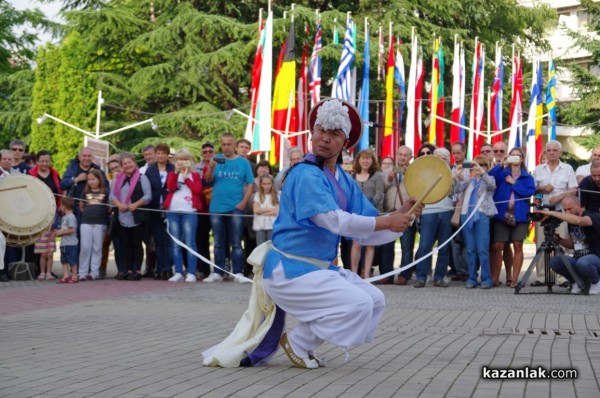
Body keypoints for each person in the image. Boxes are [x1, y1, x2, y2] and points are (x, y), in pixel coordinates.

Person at [212, 98, 419, 369]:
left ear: (345, 143)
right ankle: (299, 341)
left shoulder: (343, 179)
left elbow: (367, 226)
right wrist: (387, 221)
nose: (324, 138)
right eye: (320, 130)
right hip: (289, 270)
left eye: (334, 134)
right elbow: (331, 220)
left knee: (374, 299)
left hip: (317, 271)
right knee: (356, 303)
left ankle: (302, 338)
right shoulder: (305, 174)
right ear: (312, 133)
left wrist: (399, 217)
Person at [203, 133, 255, 283]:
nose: (226, 147)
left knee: (237, 241)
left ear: (234, 145)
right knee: (218, 241)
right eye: (223, 144)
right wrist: (211, 168)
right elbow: (208, 180)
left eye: (229, 144)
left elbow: (250, 184)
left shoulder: (243, 162)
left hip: (236, 206)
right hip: (217, 206)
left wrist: (244, 202)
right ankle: (218, 272)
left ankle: (237, 272)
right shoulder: (217, 159)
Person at [531, 140, 578, 285]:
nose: (551, 153)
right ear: (545, 152)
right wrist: (542, 188)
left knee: (561, 241)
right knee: (541, 243)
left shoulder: (567, 168)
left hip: (561, 211)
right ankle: (541, 277)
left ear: (560, 153)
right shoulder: (538, 169)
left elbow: (574, 189)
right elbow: (531, 189)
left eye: (554, 150)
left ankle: (562, 277)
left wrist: (560, 196)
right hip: (543, 211)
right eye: (548, 150)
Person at [490, 148, 536, 288]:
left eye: (518, 156)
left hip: (520, 215)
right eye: (512, 156)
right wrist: (500, 164)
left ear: (522, 159)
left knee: (517, 245)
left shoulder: (527, 177)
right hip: (502, 214)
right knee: (498, 246)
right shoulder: (502, 173)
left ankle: (515, 279)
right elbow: (488, 177)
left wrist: (513, 183)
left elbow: (529, 192)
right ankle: (495, 278)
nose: (515, 158)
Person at [537, 195, 600, 295]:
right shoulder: (571, 221)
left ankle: (596, 282)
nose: (567, 212)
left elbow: (580, 221)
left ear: (579, 205)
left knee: (582, 262)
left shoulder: (591, 216)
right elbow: (572, 245)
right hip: (579, 259)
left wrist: (552, 213)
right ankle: (576, 282)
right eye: (565, 210)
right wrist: (559, 239)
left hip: (595, 259)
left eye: (570, 209)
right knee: (555, 261)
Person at [413, 145, 454, 288]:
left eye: (444, 159)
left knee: (444, 246)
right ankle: (421, 277)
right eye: (438, 158)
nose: (441, 161)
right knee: (425, 246)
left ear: (448, 161)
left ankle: (439, 277)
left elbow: (456, 192)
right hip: (429, 211)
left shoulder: (453, 174)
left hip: (446, 210)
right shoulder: (426, 174)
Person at [454, 155, 497, 289]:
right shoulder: (468, 180)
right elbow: (456, 191)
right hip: (466, 215)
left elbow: (492, 186)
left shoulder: (489, 178)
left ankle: (486, 278)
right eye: (475, 165)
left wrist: (482, 172)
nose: (478, 168)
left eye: (482, 165)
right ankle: (471, 277)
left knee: (482, 249)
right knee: (470, 249)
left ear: (486, 167)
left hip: (482, 215)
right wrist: (457, 176)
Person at [163, 149, 204, 283]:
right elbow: (170, 187)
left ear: (190, 161)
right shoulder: (171, 173)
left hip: (189, 212)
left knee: (190, 242)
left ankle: (191, 272)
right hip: (173, 211)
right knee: (175, 243)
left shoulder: (195, 175)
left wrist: (187, 179)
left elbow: (198, 190)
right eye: (178, 159)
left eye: (184, 159)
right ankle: (178, 271)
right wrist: (175, 173)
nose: (181, 162)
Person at [109, 152, 152, 281]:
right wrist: (119, 204)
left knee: (136, 244)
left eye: (129, 162)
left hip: (137, 216)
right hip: (122, 217)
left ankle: (137, 270)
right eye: (125, 163)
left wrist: (136, 204)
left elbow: (148, 196)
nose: (128, 165)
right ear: (122, 166)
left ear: (134, 163)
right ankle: (128, 269)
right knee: (125, 244)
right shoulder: (118, 180)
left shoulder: (142, 178)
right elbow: (112, 196)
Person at [350, 150, 384, 279]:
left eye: (368, 158)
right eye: (363, 158)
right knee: (356, 244)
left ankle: (367, 273)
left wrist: (368, 205)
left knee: (370, 244)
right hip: (356, 214)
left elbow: (380, 194)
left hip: (372, 213)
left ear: (372, 161)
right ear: (358, 160)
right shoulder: (352, 177)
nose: (365, 161)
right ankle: (353, 273)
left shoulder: (377, 176)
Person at [29, 151, 62, 280]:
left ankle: (49, 271)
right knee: (39, 244)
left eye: (47, 161)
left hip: (52, 214)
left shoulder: (55, 174)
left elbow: (60, 191)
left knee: (50, 246)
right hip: (36, 213)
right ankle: (39, 270)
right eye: (42, 161)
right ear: (37, 161)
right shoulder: (31, 174)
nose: (45, 163)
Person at [145, 143, 175, 280]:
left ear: (167, 155)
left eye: (163, 153)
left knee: (169, 240)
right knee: (158, 241)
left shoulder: (173, 169)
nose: (161, 156)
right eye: (158, 153)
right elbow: (146, 189)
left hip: (170, 208)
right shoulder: (150, 170)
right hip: (154, 209)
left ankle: (168, 268)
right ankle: (160, 268)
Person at [78, 169, 110, 281]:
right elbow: (81, 206)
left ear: (99, 179)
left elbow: (109, 207)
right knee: (85, 247)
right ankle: (82, 272)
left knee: (97, 248)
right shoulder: (85, 191)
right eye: (89, 179)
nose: (91, 182)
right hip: (86, 222)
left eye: (93, 179)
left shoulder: (105, 191)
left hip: (100, 223)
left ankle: (94, 272)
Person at [193, 142, 215, 278]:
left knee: (221, 241)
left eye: (210, 151)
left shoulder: (220, 165)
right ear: (201, 153)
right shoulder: (195, 168)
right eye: (205, 152)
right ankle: (203, 269)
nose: (207, 154)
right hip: (201, 208)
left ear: (214, 152)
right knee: (201, 240)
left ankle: (222, 269)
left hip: (217, 208)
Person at [56, 197, 79, 283]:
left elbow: (73, 229)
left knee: (72, 261)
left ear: (64, 206)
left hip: (71, 244)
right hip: (64, 243)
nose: (60, 207)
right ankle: (66, 275)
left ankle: (74, 276)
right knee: (64, 260)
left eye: (61, 205)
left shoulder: (71, 217)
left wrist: (61, 232)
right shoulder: (64, 217)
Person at [253, 174, 280, 245]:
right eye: (264, 184)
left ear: (272, 184)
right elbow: (256, 210)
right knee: (260, 247)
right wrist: (271, 209)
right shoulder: (257, 195)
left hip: (272, 226)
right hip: (260, 227)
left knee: (270, 247)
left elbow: (276, 212)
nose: (266, 186)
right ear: (261, 185)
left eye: (269, 184)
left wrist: (261, 212)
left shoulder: (278, 195)